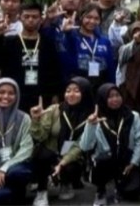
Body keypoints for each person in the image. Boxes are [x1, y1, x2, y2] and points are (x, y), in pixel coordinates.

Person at [29, 77, 94, 206]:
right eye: (68, 90)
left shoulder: (91, 116)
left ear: (85, 93)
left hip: (71, 155)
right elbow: (40, 137)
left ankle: (66, 183)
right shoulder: (55, 110)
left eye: (76, 91)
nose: (71, 94)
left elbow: (81, 146)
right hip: (51, 151)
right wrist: (36, 120)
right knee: (41, 155)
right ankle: (42, 190)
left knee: (72, 167)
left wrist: (62, 163)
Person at [80, 84, 140, 206]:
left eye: (117, 95)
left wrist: (133, 162)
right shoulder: (95, 118)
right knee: (100, 166)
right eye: (110, 97)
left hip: (126, 161)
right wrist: (91, 126)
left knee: (134, 191)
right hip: (105, 161)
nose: (115, 99)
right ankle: (101, 191)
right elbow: (85, 146)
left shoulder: (132, 116)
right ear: (102, 99)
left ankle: (119, 186)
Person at [0, 1, 61, 112]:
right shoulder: (10, 41)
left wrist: (55, 94)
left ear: (41, 19)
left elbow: (55, 70)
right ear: (20, 18)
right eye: (26, 16)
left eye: (34, 17)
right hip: (14, 94)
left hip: (41, 95)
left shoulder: (48, 43)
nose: (30, 20)